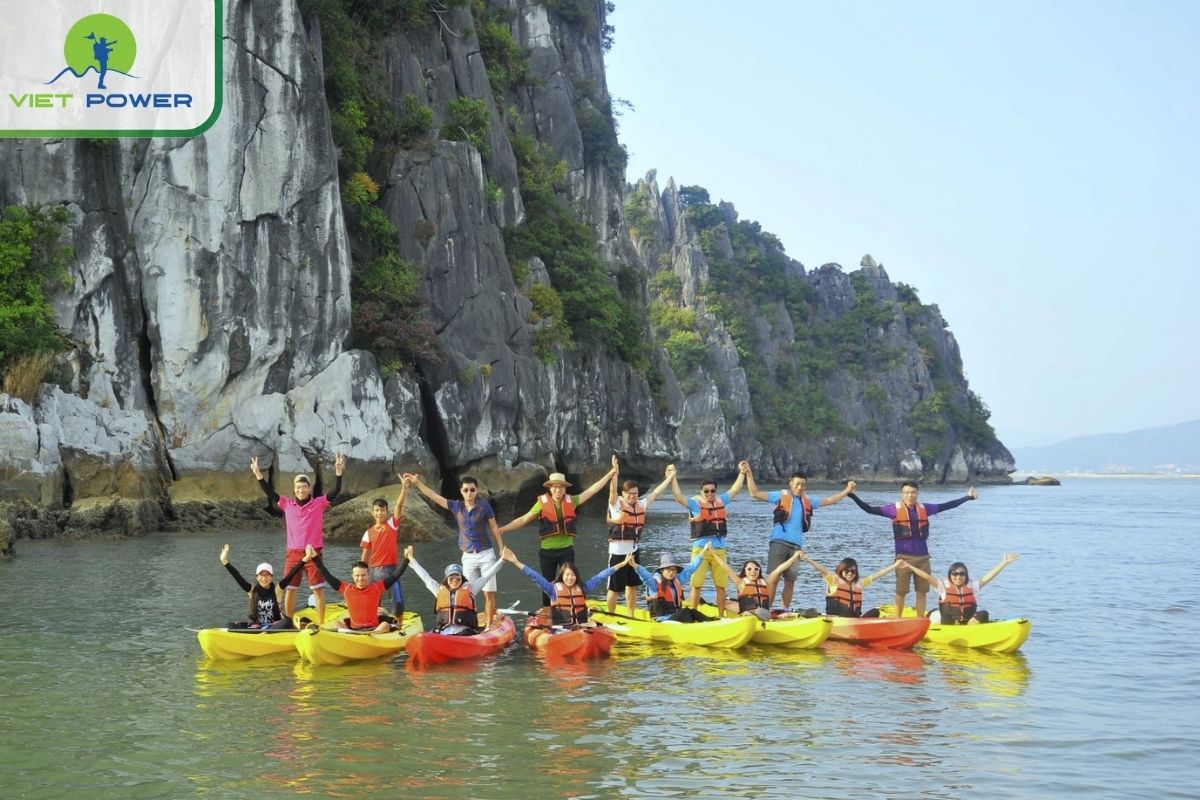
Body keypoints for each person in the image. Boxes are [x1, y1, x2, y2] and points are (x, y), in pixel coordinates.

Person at [848, 482, 979, 618]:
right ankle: (897, 620)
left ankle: (920, 620)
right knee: (901, 591)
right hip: (903, 559)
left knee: (922, 592)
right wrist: (852, 495)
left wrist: (968, 497)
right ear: (902, 494)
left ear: (917, 494)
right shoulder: (893, 509)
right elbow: (869, 509)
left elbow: (947, 505)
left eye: (913, 492)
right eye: (907, 493)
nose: (910, 495)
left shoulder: (925, 508)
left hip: (923, 558)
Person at [497, 457, 618, 603]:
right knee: (547, 584)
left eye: (561, 487)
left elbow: (591, 490)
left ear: (565, 488)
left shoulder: (572, 501)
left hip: (566, 550)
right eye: (555, 486)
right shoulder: (541, 503)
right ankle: (547, 610)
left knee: (569, 581)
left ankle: (569, 606)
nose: (558, 489)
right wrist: (503, 528)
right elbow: (524, 519)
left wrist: (610, 474)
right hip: (547, 552)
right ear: (549, 488)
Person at [742, 461, 855, 608]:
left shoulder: (807, 501)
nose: (800, 487)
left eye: (803, 485)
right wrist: (749, 474)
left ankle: (784, 611)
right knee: (773, 578)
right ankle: (766, 610)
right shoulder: (780, 496)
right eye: (797, 484)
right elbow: (755, 493)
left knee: (790, 582)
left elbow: (830, 500)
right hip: (779, 542)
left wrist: (847, 490)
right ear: (791, 484)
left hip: (796, 547)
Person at [251, 452, 345, 624]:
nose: (301, 490)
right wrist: (258, 475)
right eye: (298, 487)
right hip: (293, 554)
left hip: (313, 553)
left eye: (304, 487)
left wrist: (338, 473)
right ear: (294, 490)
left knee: (317, 590)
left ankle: (321, 624)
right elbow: (270, 493)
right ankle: (288, 622)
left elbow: (335, 491)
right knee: (290, 589)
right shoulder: (287, 504)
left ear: (309, 489)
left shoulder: (318, 503)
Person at [405, 472, 505, 627]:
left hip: (486, 554)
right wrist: (417, 483)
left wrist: (501, 548)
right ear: (461, 491)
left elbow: (494, 528)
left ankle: (488, 625)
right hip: (468, 556)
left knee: (489, 592)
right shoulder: (456, 506)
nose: (469, 493)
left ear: (477, 490)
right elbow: (434, 496)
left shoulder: (484, 506)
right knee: (465, 593)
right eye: (466, 490)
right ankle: (468, 622)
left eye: (472, 490)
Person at [668, 466, 747, 615]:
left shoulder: (721, 501)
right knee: (696, 585)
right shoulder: (695, 504)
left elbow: (735, 490)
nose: (710, 493)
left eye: (712, 491)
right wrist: (673, 479)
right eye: (706, 491)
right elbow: (679, 497)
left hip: (719, 550)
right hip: (700, 550)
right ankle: (692, 614)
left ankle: (721, 616)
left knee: (721, 585)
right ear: (701, 492)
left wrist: (742, 473)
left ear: (715, 492)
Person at [604, 463, 676, 615]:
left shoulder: (641, 504)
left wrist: (669, 478)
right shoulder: (616, 505)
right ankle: (611, 614)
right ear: (623, 493)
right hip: (617, 552)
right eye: (630, 493)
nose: (633, 496)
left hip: (633, 551)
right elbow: (612, 492)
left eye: (635, 493)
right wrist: (615, 474)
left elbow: (655, 493)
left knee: (632, 585)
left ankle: (631, 614)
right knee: (614, 587)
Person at [501, 547, 631, 627]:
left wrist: (621, 564)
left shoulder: (583, 588)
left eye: (572, 575)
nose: (570, 578)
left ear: (576, 576)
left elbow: (601, 577)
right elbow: (534, 576)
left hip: (580, 627)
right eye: (567, 575)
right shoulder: (552, 590)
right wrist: (516, 562)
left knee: (593, 625)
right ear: (562, 576)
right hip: (561, 628)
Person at [404, 545, 506, 634]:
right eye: (451, 578)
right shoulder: (438, 590)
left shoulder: (471, 589)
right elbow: (425, 576)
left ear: (462, 579)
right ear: (446, 579)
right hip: (444, 632)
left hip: (465, 632)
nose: (454, 581)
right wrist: (411, 559)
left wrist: (502, 560)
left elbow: (487, 576)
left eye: (457, 578)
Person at [308, 544, 409, 632]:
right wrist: (315, 558)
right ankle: (349, 636)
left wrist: (406, 559)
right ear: (353, 576)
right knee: (337, 623)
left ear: (368, 575)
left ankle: (370, 637)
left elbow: (395, 575)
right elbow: (327, 575)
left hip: (374, 630)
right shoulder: (346, 589)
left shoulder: (377, 587)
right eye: (357, 575)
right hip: (353, 631)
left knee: (385, 625)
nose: (360, 578)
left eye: (363, 575)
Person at [901, 553, 1019, 624]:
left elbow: (989, 576)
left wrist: (1004, 563)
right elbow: (925, 576)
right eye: (955, 574)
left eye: (962, 574)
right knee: (946, 618)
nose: (958, 577)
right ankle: (934, 619)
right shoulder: (942, 586)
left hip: (966, 621)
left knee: (984, 614)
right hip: (947, 621)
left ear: (966, 575)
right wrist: (910, 566)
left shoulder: (972, 586)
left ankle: (969, 629)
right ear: (950, 575)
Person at [218, 544, 311, 629]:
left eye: (267, 575)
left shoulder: (277, 590)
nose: (264, 578)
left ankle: (264, 634)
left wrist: (305, 559)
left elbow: (290, 575)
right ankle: (256, 632)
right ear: (257, 577)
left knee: (287, 621)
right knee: (229, 626)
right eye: (261, 575)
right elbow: (237, 576)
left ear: (271, 577)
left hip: (274, 627)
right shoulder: (252, 591)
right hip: (256, 627)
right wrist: (225, 562)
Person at [359, 476, 411, 616]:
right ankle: (372, 623)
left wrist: (404, 489)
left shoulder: (392, 525)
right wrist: (362, 572)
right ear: (372, 513)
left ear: (387, 512)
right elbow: (365, 554)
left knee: (397, 602)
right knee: (372, 603)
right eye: (376, 510)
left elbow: (399, 506)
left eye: (382, 510)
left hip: (389, 570)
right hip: (372, 571)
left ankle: (397, 624)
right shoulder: (368, 532)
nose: (379, 513)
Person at [795, 551, 902, 618]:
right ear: (841, 571)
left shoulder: (859, 584)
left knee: (875, 612)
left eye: (853, 571)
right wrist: (807, 559)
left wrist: (895, 566)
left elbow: (877, 575)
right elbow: (822, 570)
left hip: (854, 620)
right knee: (847, 610)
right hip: (837, 619)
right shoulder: (833, 580)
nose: (850, 573)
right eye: (847, 571)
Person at [710, 549, 807, 620]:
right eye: (749, 569)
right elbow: (727, 569)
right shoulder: (741, 583)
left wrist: (794, 557)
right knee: (736, 607)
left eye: (756, 569)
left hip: (764, 614)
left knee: (786, 614)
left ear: (759, 571)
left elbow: (779, 569)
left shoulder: (765, 582)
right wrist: (714, 555)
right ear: (745, 571)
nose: (753, 572)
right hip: (748, 616)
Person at [629, 544, 715, 623]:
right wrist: (635, 565)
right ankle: (690, 629)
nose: (671, 572)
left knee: (692, 611)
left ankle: (710, 623)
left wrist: (704, 550)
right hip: (661, 620)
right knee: (685, 611)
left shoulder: (677, 580)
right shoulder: (654, 584)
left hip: (675, 617)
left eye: (674, 570)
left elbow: (691, 567)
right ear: (662, 570)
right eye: (668, 569)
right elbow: (645, 576)